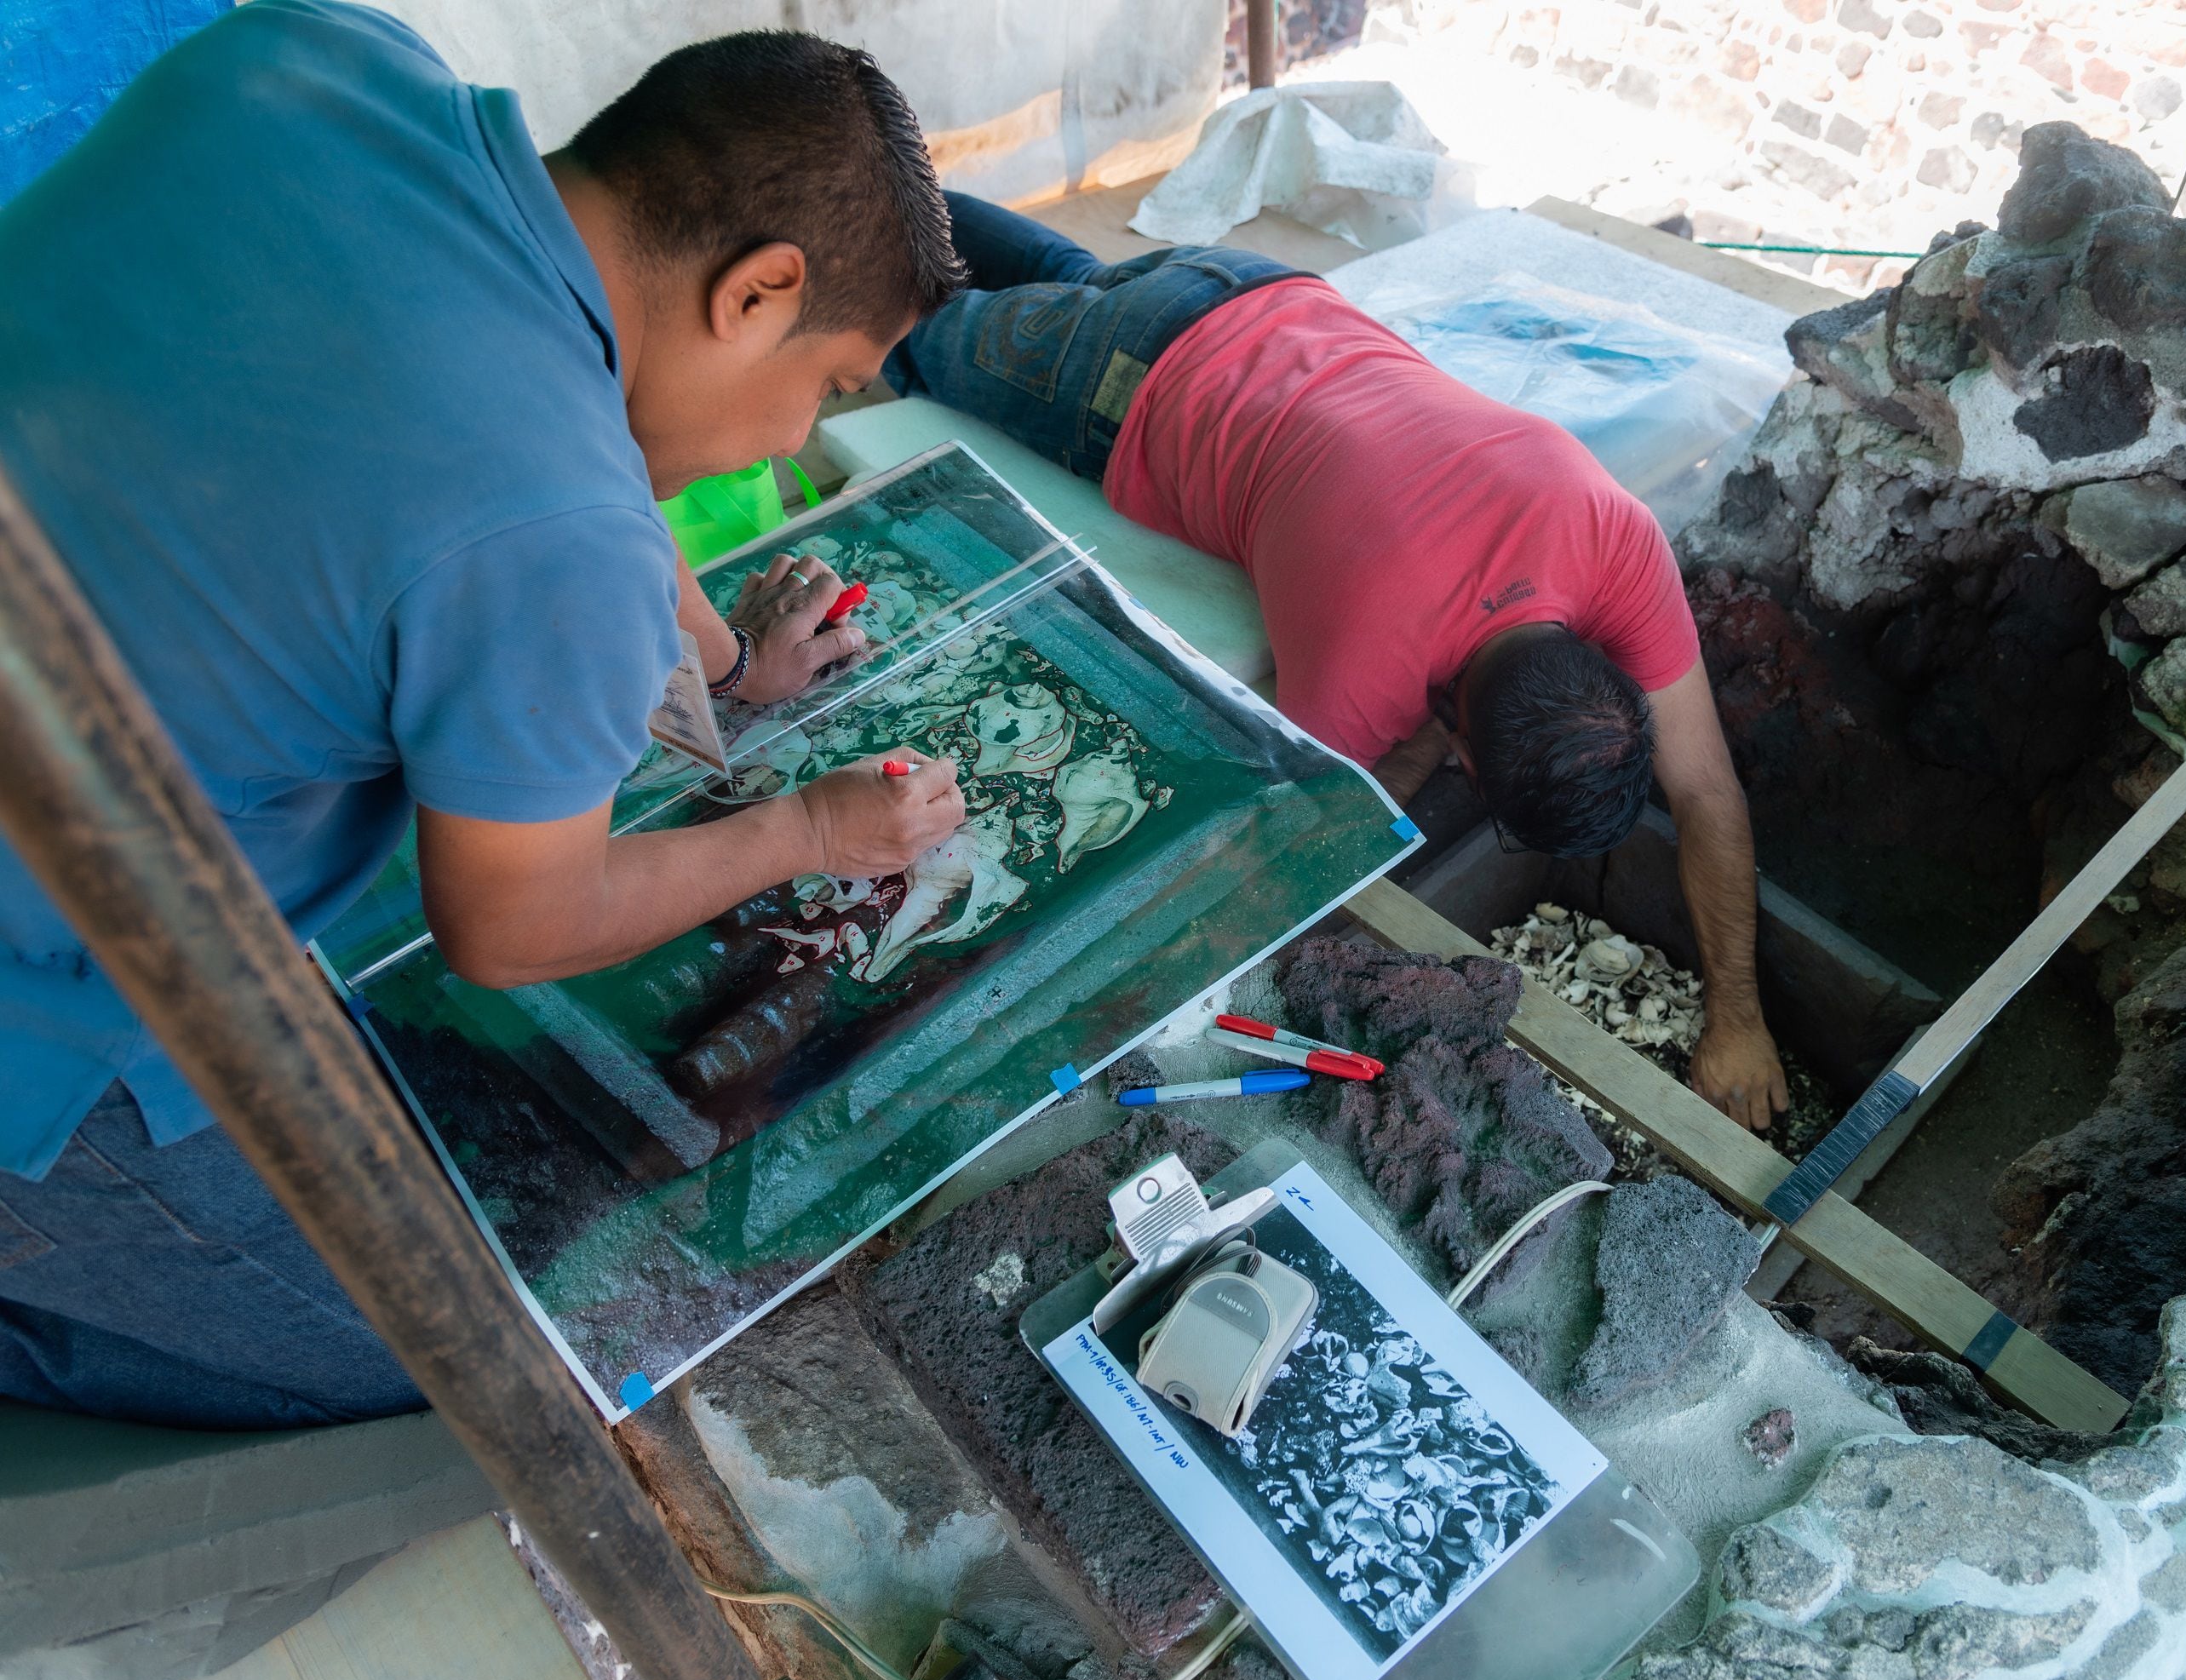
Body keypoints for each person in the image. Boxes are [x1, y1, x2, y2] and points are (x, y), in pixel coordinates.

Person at [0, 1, 973, 1427]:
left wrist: (701, 651)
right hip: (46, 1000)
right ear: (757, 290)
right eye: (823, 387)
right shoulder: (551, 536)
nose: (790, 440)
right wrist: (808, 826)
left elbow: (428, 405)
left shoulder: (317, 57)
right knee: (451, 1343)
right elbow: (513, 925)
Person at [881, 196, 1789, 1130]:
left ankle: (895, 175)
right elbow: (1315, 834)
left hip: (1255, 290)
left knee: (1066, 273)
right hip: (1124, 383)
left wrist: (1738, 1016)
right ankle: (847, 198)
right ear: (1465, 757)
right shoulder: (1358, 663)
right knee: (892, 332)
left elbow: (1704, 793)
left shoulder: (1612, 535)